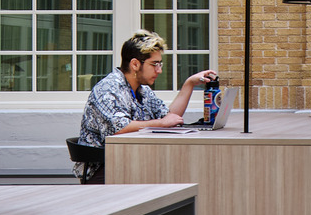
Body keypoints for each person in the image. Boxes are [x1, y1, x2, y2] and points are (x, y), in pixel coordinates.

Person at [82, 29, 218, 144]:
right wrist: (160, 123)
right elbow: (119, 127)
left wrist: (190, 84)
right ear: (135, 64)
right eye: (154, 64)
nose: (159, 70)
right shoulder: (108, 88)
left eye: (160, 64)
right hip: (105, 166)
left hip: (133, 158)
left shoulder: (143, 90)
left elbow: (170, 117)